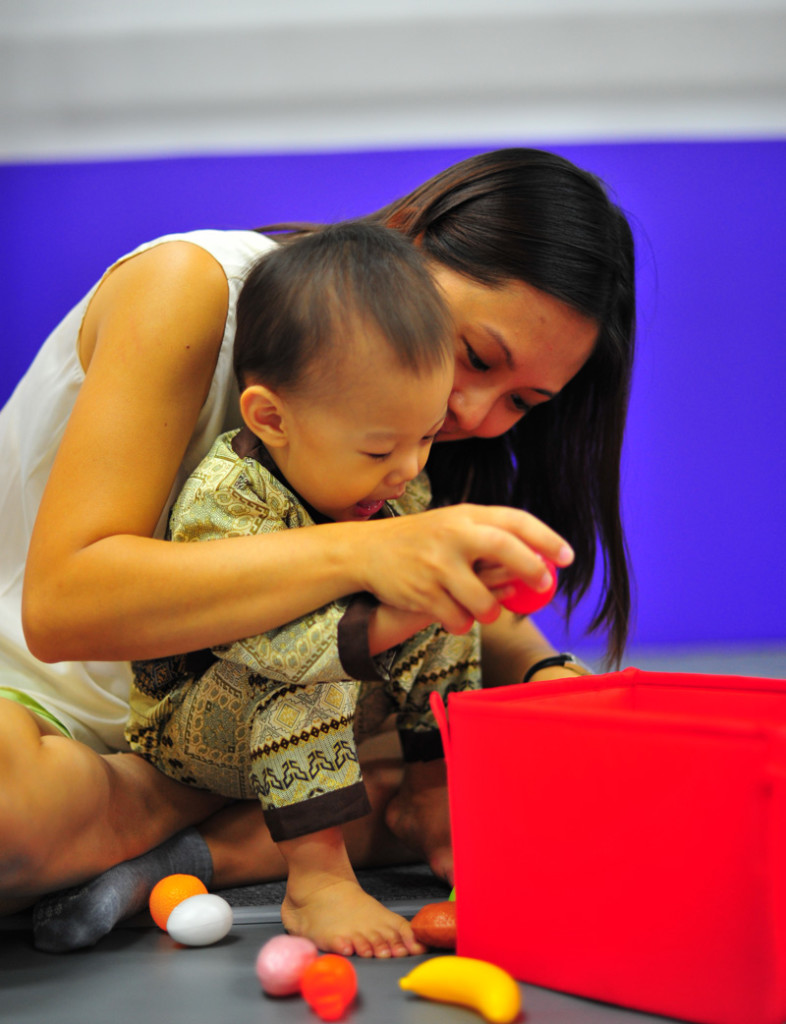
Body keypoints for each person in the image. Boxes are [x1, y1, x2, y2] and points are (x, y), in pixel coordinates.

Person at [0, 148, 635, 953]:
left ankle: (201, 840)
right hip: (49, 709)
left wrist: (547, 677)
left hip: (260, 706)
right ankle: (197, 815)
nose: (467, 410)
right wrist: (373, 552)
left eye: (523, 402)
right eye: (476, 355)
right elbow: (63, 608)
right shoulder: (193, 289)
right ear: (406, 239)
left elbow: (445, 604)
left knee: (541, 775)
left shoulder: (411, 432)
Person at [125, 219, 486, 957]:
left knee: (452, 630)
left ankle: (434, 806)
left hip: (330, 706)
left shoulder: (394, 488)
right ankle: (316, 881)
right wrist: (396, 616)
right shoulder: (228, 498)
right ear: (270, 418)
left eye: (425, 437)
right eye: (382, 447)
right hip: (200, 725)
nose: (409, 469)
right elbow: (262, 642)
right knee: (303, 677)